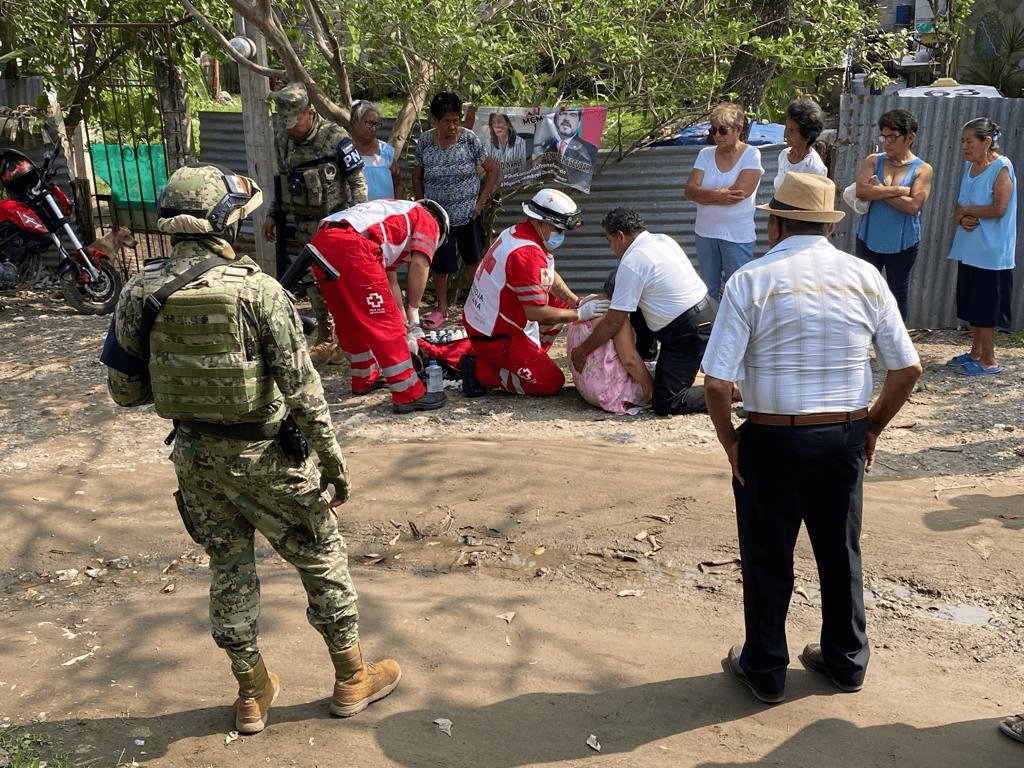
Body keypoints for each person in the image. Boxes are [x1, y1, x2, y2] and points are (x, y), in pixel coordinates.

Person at [102, 164, 400, 734]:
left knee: (229, 569)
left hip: (195, 458)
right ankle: (351, 678)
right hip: (267, 456)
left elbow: (124, 392)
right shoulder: (258, 290)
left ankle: (251, 692)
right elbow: (305, 392)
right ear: (225, 221)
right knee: (321, 557)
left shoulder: (140, 290)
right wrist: (333, 465)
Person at [701, 172, 921, 705]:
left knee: (768, 552)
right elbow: (906, 370)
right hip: (842, 434)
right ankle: (846, 661)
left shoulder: (750, 280)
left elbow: (716, 383)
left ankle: (766, 668)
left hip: (772, 438)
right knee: (840, 550)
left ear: (775, 223)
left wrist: (732, 442)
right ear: (827, 225)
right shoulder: (865, 276)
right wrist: (869, 427)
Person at [569, 207, 716, 416]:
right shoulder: (661, 239)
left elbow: (613, 322)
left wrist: (582, 351)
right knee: (635, 306)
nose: (612, 249)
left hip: (688, 332)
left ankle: (727, 392)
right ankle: (651, 359)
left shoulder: (633, 262)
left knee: (666, 402)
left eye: (610, 241)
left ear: (620, 236)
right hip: (704, 312)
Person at [462, 188, 607, 397]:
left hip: (491, 320)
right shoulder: (526, 254)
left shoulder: (519, 233)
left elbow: (548, 274)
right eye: (558, 229)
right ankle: (479, 371)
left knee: (561, 307)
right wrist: (579, 314)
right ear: (540, 222)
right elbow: (535, 313)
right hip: (495, 335)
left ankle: (530, 358)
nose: (560, 235)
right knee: (551, 382)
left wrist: (574, 301)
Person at [262, 82, 369, 365]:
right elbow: (282, 180)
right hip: (303, 223)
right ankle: (326, 337)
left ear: (309, 113)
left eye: (294, 121)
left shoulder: (335, 137)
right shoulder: (282, 137)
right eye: (285, 122)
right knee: (312, 283)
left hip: (334, 222)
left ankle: (350, 339)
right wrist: (274, 213)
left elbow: (358, 182)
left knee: (341, 282)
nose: (290, 128)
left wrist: (356, 222)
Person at [310, 199, 450, 413]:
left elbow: (389, 279)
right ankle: (408, 393)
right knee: (386, 323)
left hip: (322, 241)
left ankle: (363, 377)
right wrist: (412, 316)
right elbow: (420, 264)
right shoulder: (428, 219)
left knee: (348, 318)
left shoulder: (394, 215)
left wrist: (404, 320)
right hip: (352, 245)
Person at [412, 92, 500, 329]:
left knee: (473, 261)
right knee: (441, 266)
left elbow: (492, 170)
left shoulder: (469, 139)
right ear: (435, 121)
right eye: (446, 121)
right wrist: (423, 208)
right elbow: (417, 176)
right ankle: (442, 309)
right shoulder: (425, 143)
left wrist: (480, 204)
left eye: (455, 120)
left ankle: (477, 307)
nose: (452, 126)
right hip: (438, 217)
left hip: (468, 214)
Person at [945, 117, 1016, 377]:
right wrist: (962, 216)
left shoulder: (1001, 168)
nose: (965, 146)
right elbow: (959, 208)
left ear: (986, 142)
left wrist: (968, 210)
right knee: (973, 305)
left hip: (991, 253)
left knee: (986, 308)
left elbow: (999, 208)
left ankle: (989, 361)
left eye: (969, 141)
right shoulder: (969, 168)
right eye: (963, 141)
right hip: (970, 249)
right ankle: (975, 352)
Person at [853, 108, 933, 321]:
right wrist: (898, 191)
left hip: (903, 242)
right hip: (869, 237)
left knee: (897, 292)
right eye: (883, 136)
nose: (887, 142)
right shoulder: (873, 160)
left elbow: (913, 206)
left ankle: (895, 347)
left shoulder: (922, 169)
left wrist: (878, 190)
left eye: (892, 137)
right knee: (864, 292)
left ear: (910, 137)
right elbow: (861, 190)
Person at [683, 102, 764, 299]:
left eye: (722, 130)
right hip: (705, 232)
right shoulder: (705, 154)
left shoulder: (751, 154)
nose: (716, 136)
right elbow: (689, 190)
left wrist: (704, 195)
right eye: (713, 130)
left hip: (736, 235)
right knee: (707, 290)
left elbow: (739, 193)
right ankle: (712, 329)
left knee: (737, 290)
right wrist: (719, 196)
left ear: (738, 129)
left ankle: (739, 330)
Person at [566, 268, 654, 415]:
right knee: (668, 381)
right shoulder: (615, 316)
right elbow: (629, 360)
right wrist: (649, 388)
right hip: (608, 393)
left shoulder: (588, 302)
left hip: (586, 386)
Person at [350, 99, 403, 200]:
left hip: (385, 214)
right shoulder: (346, 152)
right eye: (369, 123)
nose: (373, 129)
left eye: (376, 124)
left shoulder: (386, 152)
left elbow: (398, 184)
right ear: (355, 123)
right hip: (356, 214)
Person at [774, 98, 828, 190]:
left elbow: (813, 202)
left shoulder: (815, 168)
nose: (786, 134)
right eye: (786, 128)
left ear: (807, 136)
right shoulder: (784, 155)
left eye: (792, 130)